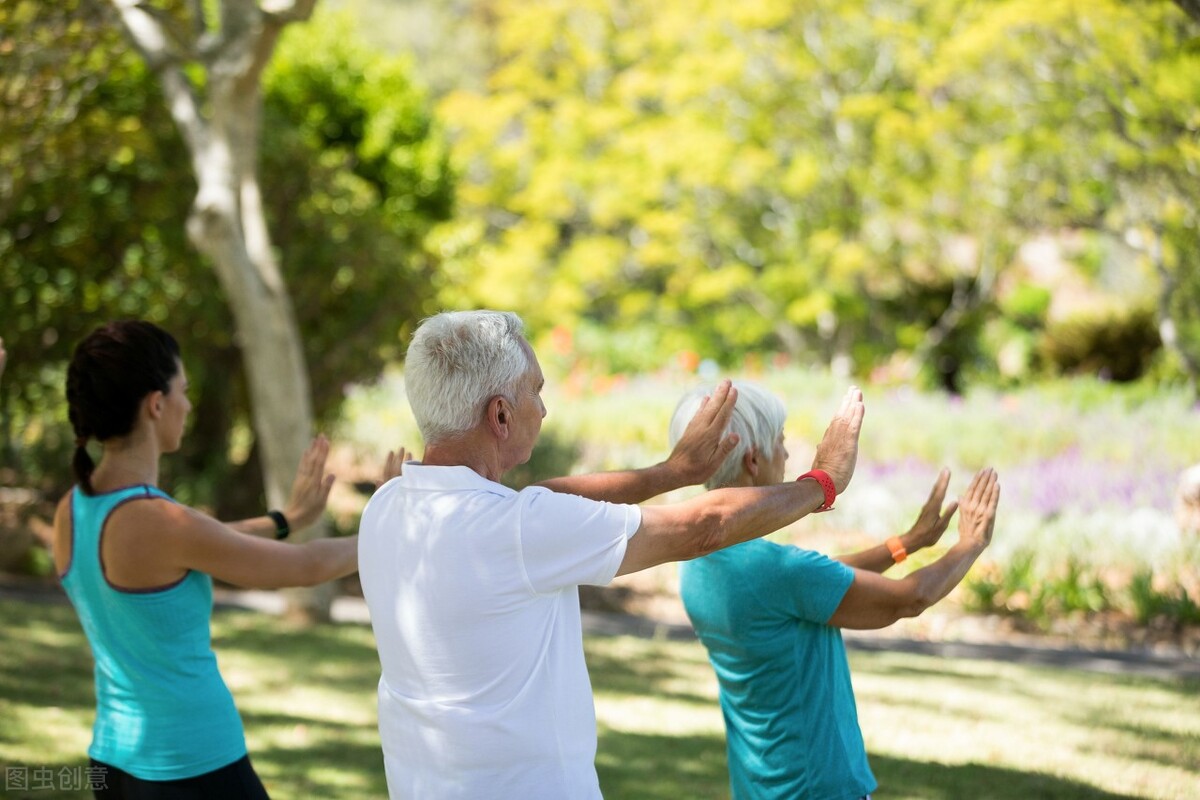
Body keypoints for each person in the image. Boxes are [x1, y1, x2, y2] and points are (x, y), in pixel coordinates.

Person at [358, 310, 866, 799]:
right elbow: (704, 526)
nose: (544, 407)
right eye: (535, 390)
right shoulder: (516, 530)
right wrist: (822, 482)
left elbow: (545, 497)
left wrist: (672, 473)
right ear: (500, 414)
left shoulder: (388, 507)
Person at [53, 320, 360, 799]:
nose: (189, 404)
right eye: (183, 390)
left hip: (113, 765)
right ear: (156, 404)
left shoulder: (72, 512)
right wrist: (397, 530)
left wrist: (285, 518)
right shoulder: (158, 521)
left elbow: (199, 546)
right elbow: (307, 567)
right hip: (192, 766)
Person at [671, 382, 1001, 800]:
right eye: (782, 442)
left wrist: (907, 544)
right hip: (819, 788)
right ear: (753, 459)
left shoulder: (700, 562)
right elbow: (909, 599)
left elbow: (819, 584)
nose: (788, 456)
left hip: (759, 788)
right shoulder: (774, 570)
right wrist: (971, 542)